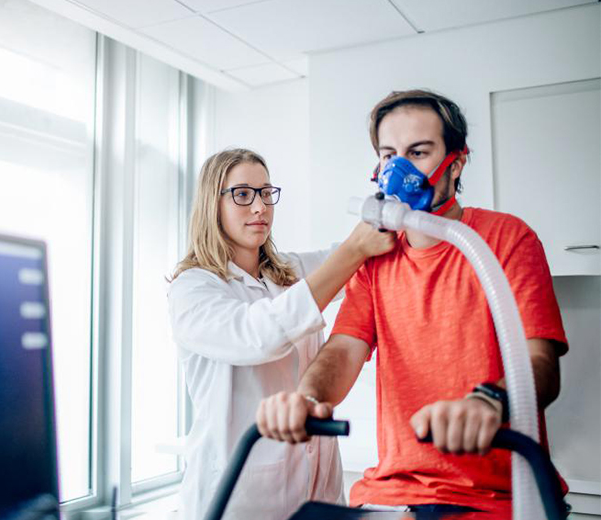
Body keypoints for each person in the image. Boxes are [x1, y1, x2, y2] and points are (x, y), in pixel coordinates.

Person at [256, 90, 568, 515]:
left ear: (455, 163)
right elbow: (345, 349)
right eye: (388, 155)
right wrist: (307, 399)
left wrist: (486, 403)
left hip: (498, 497)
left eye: (418, 152)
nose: (397, 170)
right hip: (394, 494)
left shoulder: (506, 240)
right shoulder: (376, 259)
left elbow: (541, 365)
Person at [168, 148, 395, 520]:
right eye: (242, 194)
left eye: (266, 192)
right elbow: (257, 335)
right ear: (213, 204)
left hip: (317, 487)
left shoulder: (288, 270)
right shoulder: (192, 289)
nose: (260, 207)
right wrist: (355, 248)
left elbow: (355, 260)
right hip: (238, 496)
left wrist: (392, 202)